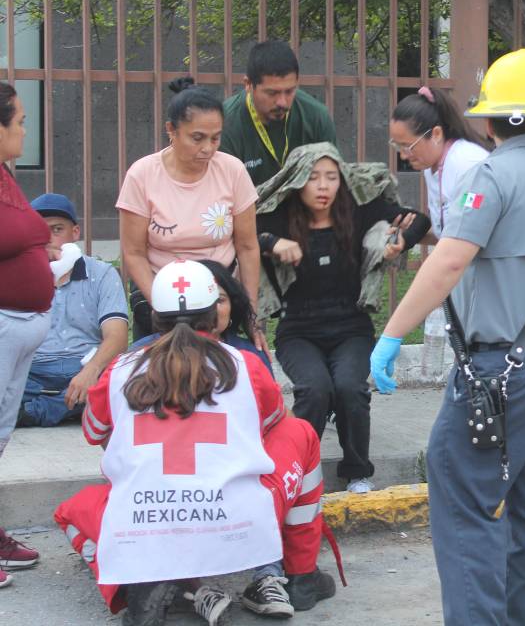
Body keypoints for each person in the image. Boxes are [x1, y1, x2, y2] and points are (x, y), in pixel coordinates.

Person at [369, 48, 525, 626]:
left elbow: (449, 262)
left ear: (487, 123)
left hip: (500, 373)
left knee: (463, 497)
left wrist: (391, 334)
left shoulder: (491, 174)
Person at [55, 259, 336, 624]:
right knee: (300, 433)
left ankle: (138, 584)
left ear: (154, 316)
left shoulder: (119, 369)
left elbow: (95, 433)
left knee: (71, 511)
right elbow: (269, 427)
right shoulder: (244, 365)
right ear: (213, 314)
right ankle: (300, 574)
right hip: (235, 523)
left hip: (144, 520)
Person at [257, 142, 430, 493]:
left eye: (331, 178)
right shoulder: (278, 215)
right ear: (296, 182)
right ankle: (298, 468)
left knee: (350, 388)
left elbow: (418, 219)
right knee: (316, 389)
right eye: (313, 178)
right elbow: (244, 230)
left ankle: (357, 472)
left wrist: (402, 241)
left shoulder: (359, 210)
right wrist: (272, 242)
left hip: (351, 326)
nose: (323, 187)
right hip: (298, 330)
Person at [118, 77, 263, 349]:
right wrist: (164, 305)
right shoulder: (143, 175)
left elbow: (247, 246)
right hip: (160, 295)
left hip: (218, 296)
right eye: (197, 138)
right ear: (171, 130)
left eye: (216, 138)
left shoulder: (232, 171)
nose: (208, 148)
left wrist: (250, 314)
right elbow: (134, 253)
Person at [389, 86, 491, 382]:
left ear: (435, 134)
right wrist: (411, 235)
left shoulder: (467, 164)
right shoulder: (433, 166)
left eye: (408, 146)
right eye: (397, 147)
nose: (404, 156)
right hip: (465, 290)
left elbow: (467, 240)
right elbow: (451, 230)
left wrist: (394, 332)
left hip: (483, 289)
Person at [16, 194, 129, 428]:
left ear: (75, 232)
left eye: (57, 229)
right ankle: (73, 407)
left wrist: (91, 370)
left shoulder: (102, 273)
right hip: (31, 372)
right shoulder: (15, 274)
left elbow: (117, 337)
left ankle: (35, 411)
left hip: (86, 367)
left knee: (127, 380)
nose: (48, 238)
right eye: (39, 230)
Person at [0, 81, 52, 589]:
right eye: (17, 119)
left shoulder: (4, 175)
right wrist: (39, 234)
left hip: (17, 328)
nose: (24, 128)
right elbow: (15, 231)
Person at [220, 40, 337, 188]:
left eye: (289, 91)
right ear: (248, 85)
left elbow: (332, 183)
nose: (282, 102)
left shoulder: (317, 116)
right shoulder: (224, 124)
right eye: (272, 93)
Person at [132, 258, 271, 373]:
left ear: (233, 305)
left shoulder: (251, 357)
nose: (213, 308)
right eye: (200, 302)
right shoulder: (137, 356)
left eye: (219, 300)